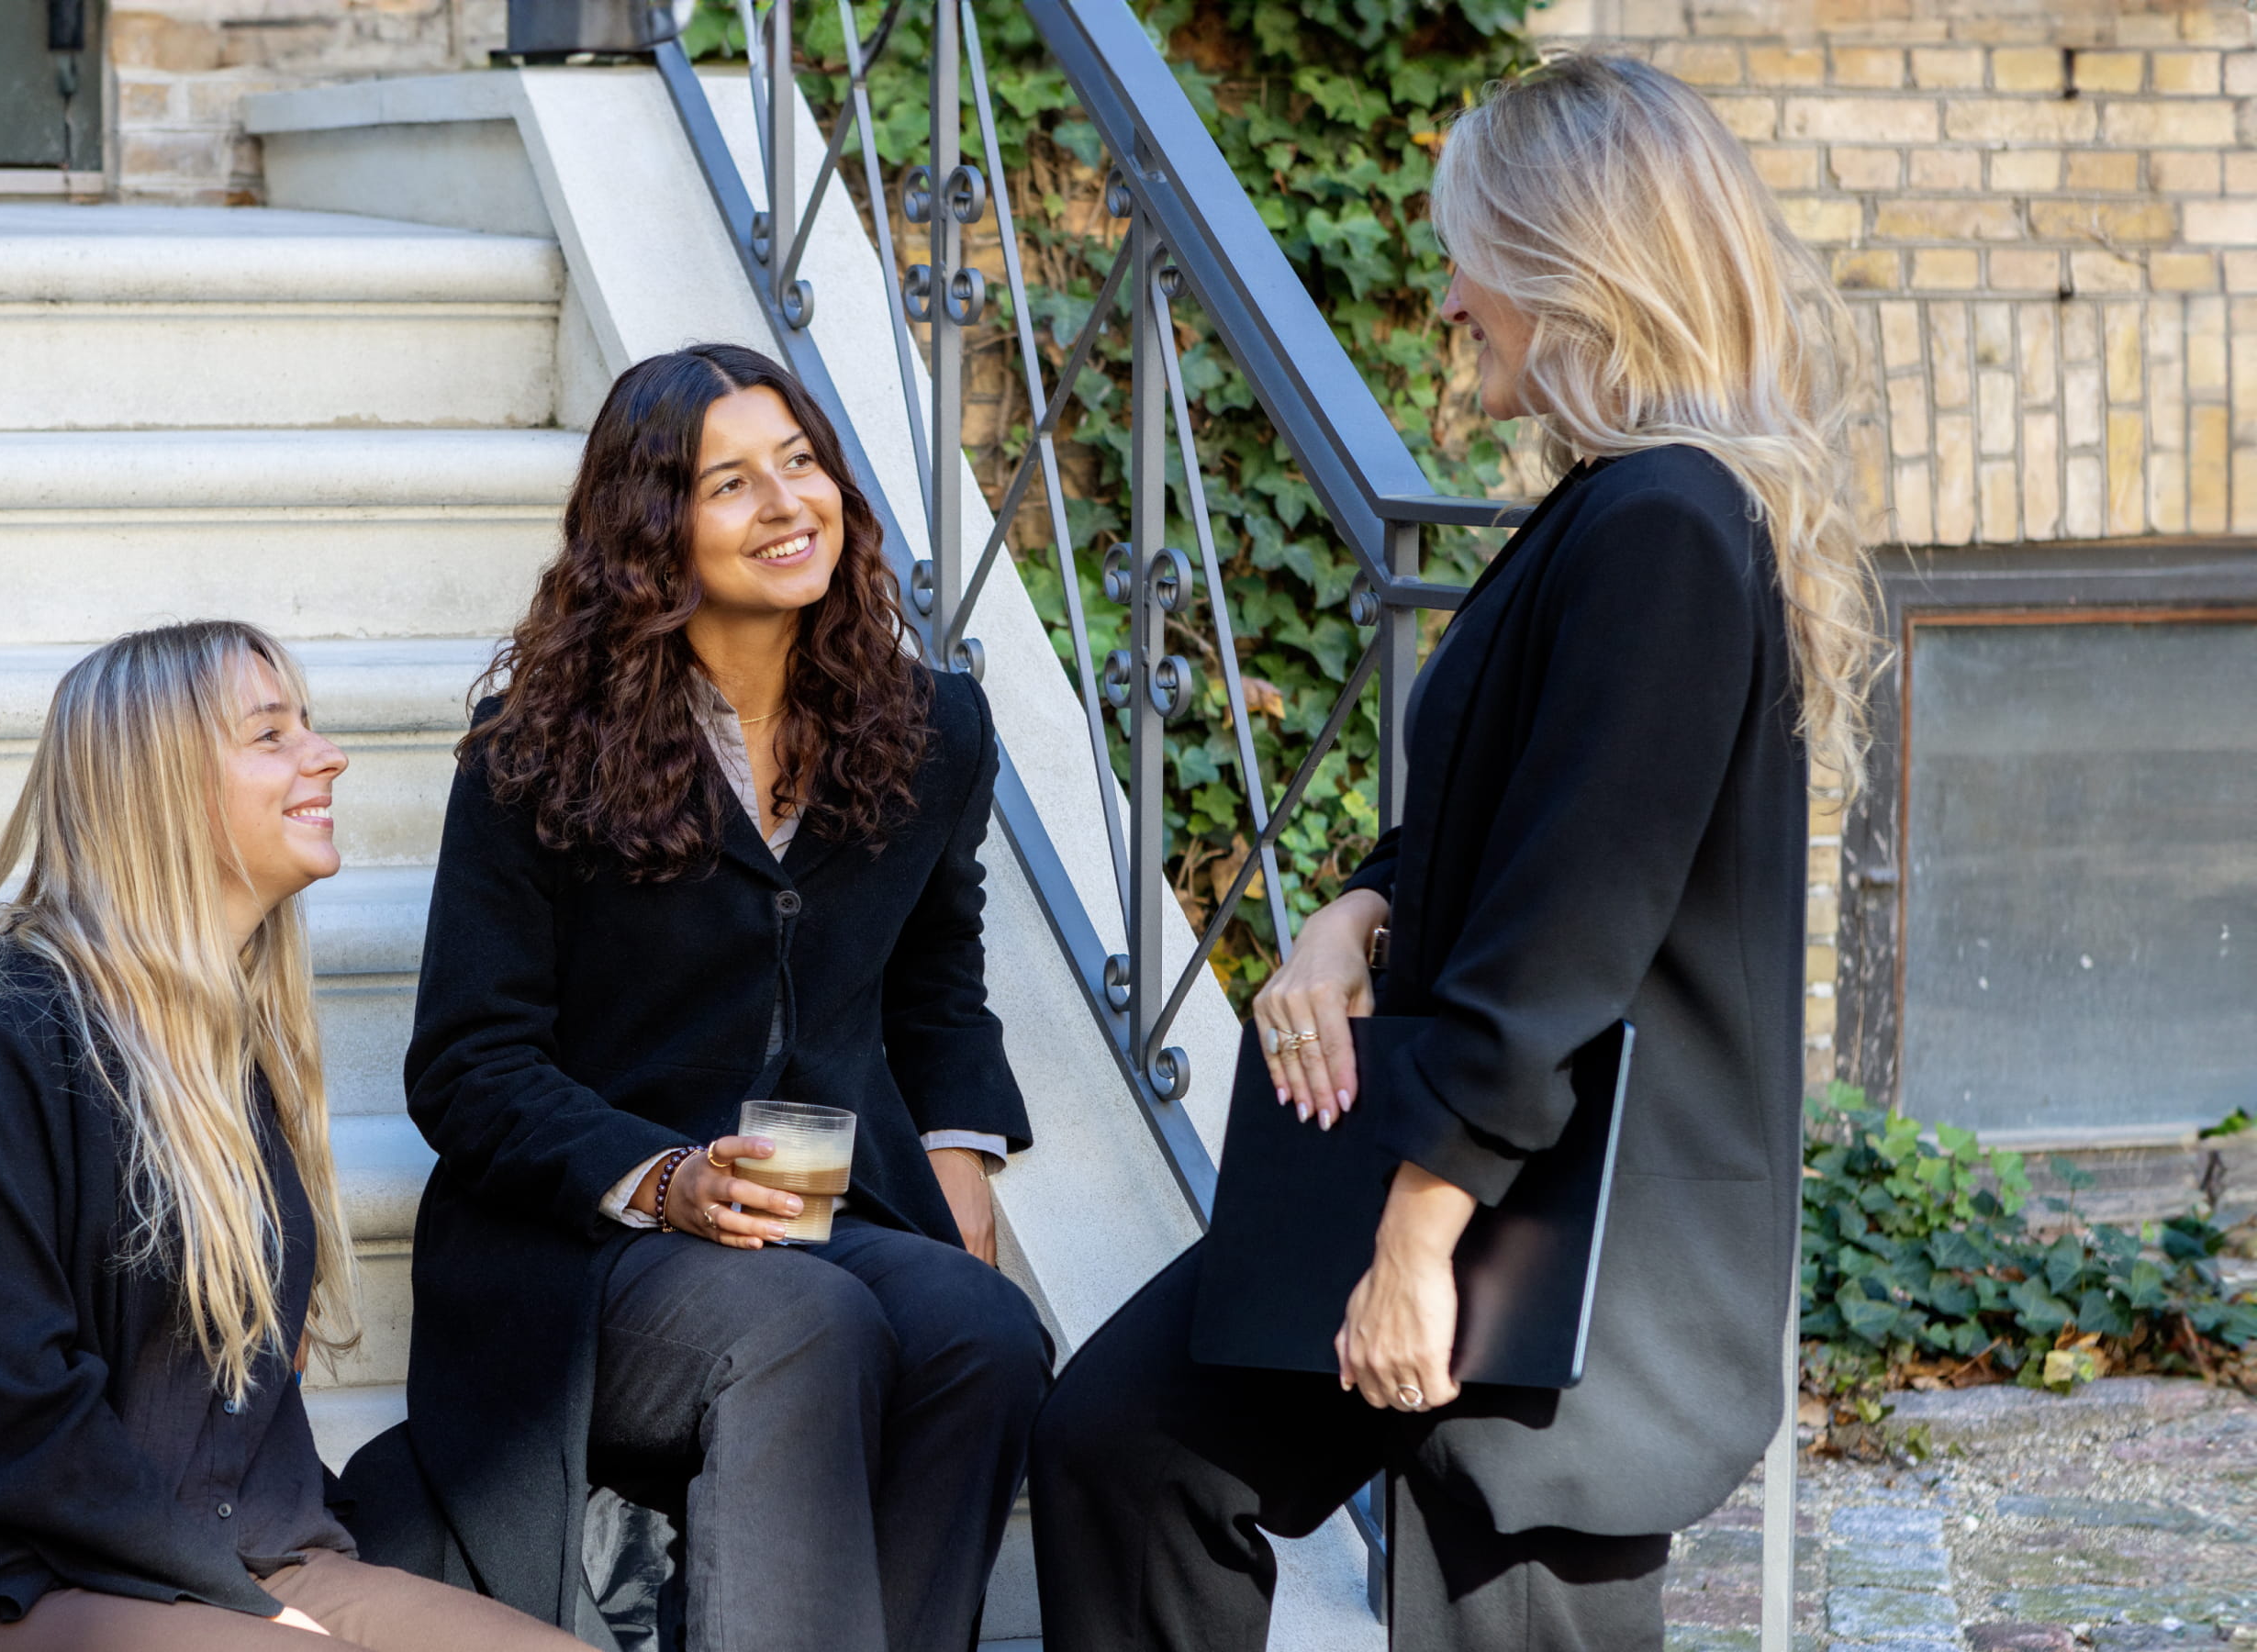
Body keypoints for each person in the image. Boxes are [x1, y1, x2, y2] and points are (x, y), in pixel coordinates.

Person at [1029, 53, 1879, 1652]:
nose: (1448, 298)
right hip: (1485, 1176)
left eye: (1466, 251)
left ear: (1572, 266)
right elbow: (1508, 816)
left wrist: (1416, 1245)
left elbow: (1570, 932)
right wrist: (1357, 908)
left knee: (1495, 1596)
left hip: (1550, 1224)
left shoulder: (1666, 527)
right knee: (1123, 1443)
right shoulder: (1612, 516)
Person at [359, 343, 1052, 1652]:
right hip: (591, 1250)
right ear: (650, 533)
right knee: (810, 1318)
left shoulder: (931, 726)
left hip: (825, 1217)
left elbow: (937, 983)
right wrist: (664, 1178)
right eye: (731, 483)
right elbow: (466, 1062)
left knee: (985, 1333)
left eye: (801, 464)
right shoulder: (534, 755)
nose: (788, 505)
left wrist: (962, 1159)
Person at [0, 620, 592, 1652]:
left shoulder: (228, 1042)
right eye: (270, 736)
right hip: (1, 1580)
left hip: (236, 1558)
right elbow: (7, 1419)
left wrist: (260, 1591)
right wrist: (253, 1609)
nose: (328, 755)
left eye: (308, 726)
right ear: (158, 787)